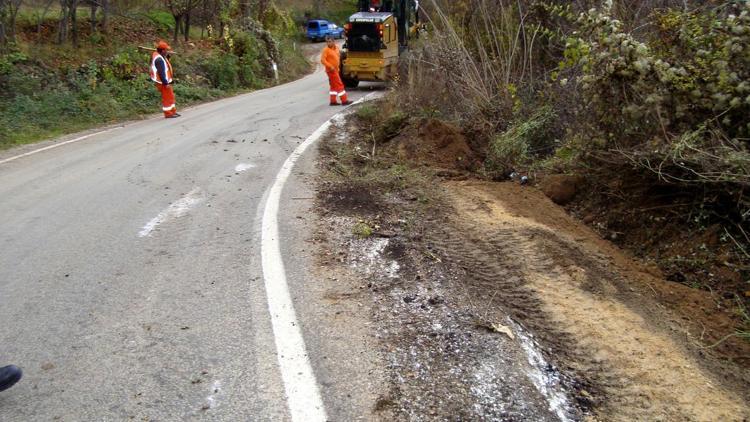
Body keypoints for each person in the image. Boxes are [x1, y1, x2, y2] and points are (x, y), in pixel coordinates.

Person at [149, 41, 180, 118]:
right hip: (162, 82)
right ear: (162, 51)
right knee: (167, 97)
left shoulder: (160, 56)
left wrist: (167, 57)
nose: (168, 51)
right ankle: (168, 113)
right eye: (166, 50)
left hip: (165, 80)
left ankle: (172, 111)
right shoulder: (159, 60)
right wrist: (165, 83)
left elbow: (165, 64)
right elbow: (161, 72)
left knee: (171, 96)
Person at [320, 36, 352, 107]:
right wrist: (330, 66)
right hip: (331, 70)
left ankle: (333, 101)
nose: (328, 43)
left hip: (336, 70)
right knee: (339, 84)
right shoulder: (326, 50)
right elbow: (322, 60)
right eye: (327, 42)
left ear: (333, 41)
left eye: (330, 41)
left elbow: (338, 57)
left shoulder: (337, 48)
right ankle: (344, 100)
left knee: (333, 86)